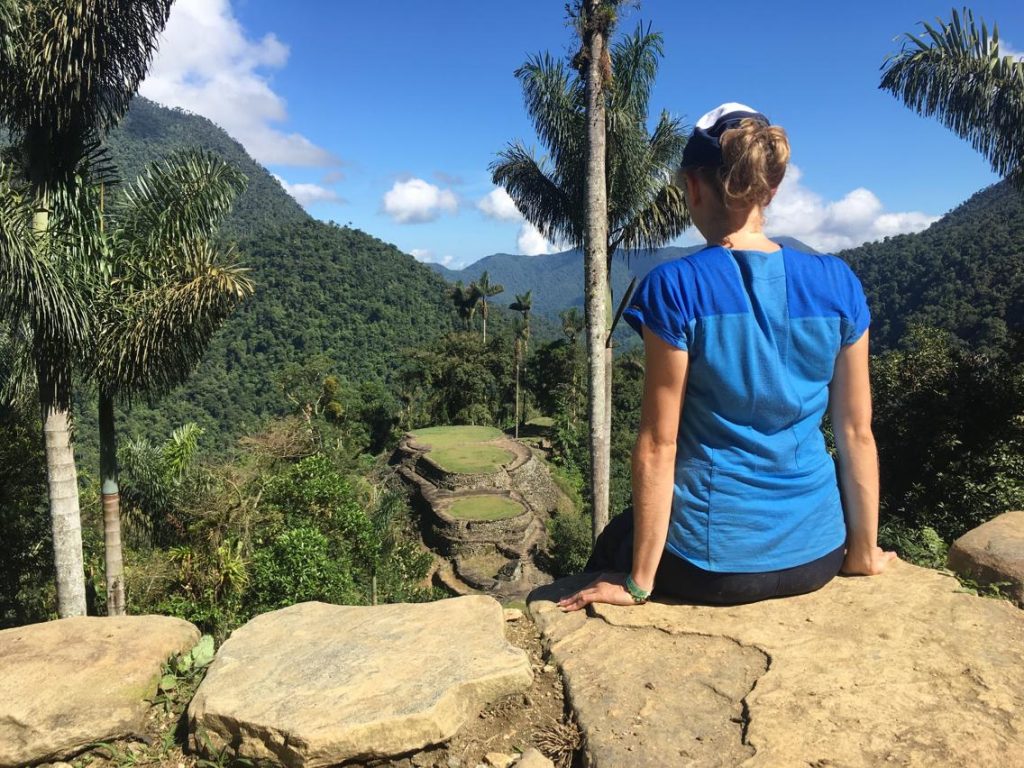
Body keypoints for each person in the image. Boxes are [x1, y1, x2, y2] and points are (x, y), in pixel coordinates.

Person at [558, 103, 897, 612]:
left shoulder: (675, 288)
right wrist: (863, 552)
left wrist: (636, 585)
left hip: (709, 566)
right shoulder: (839, 283)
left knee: (614, 539)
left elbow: (657, 443)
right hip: (818, 555)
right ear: (771, 187)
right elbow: (856, 432)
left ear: (693, 187)